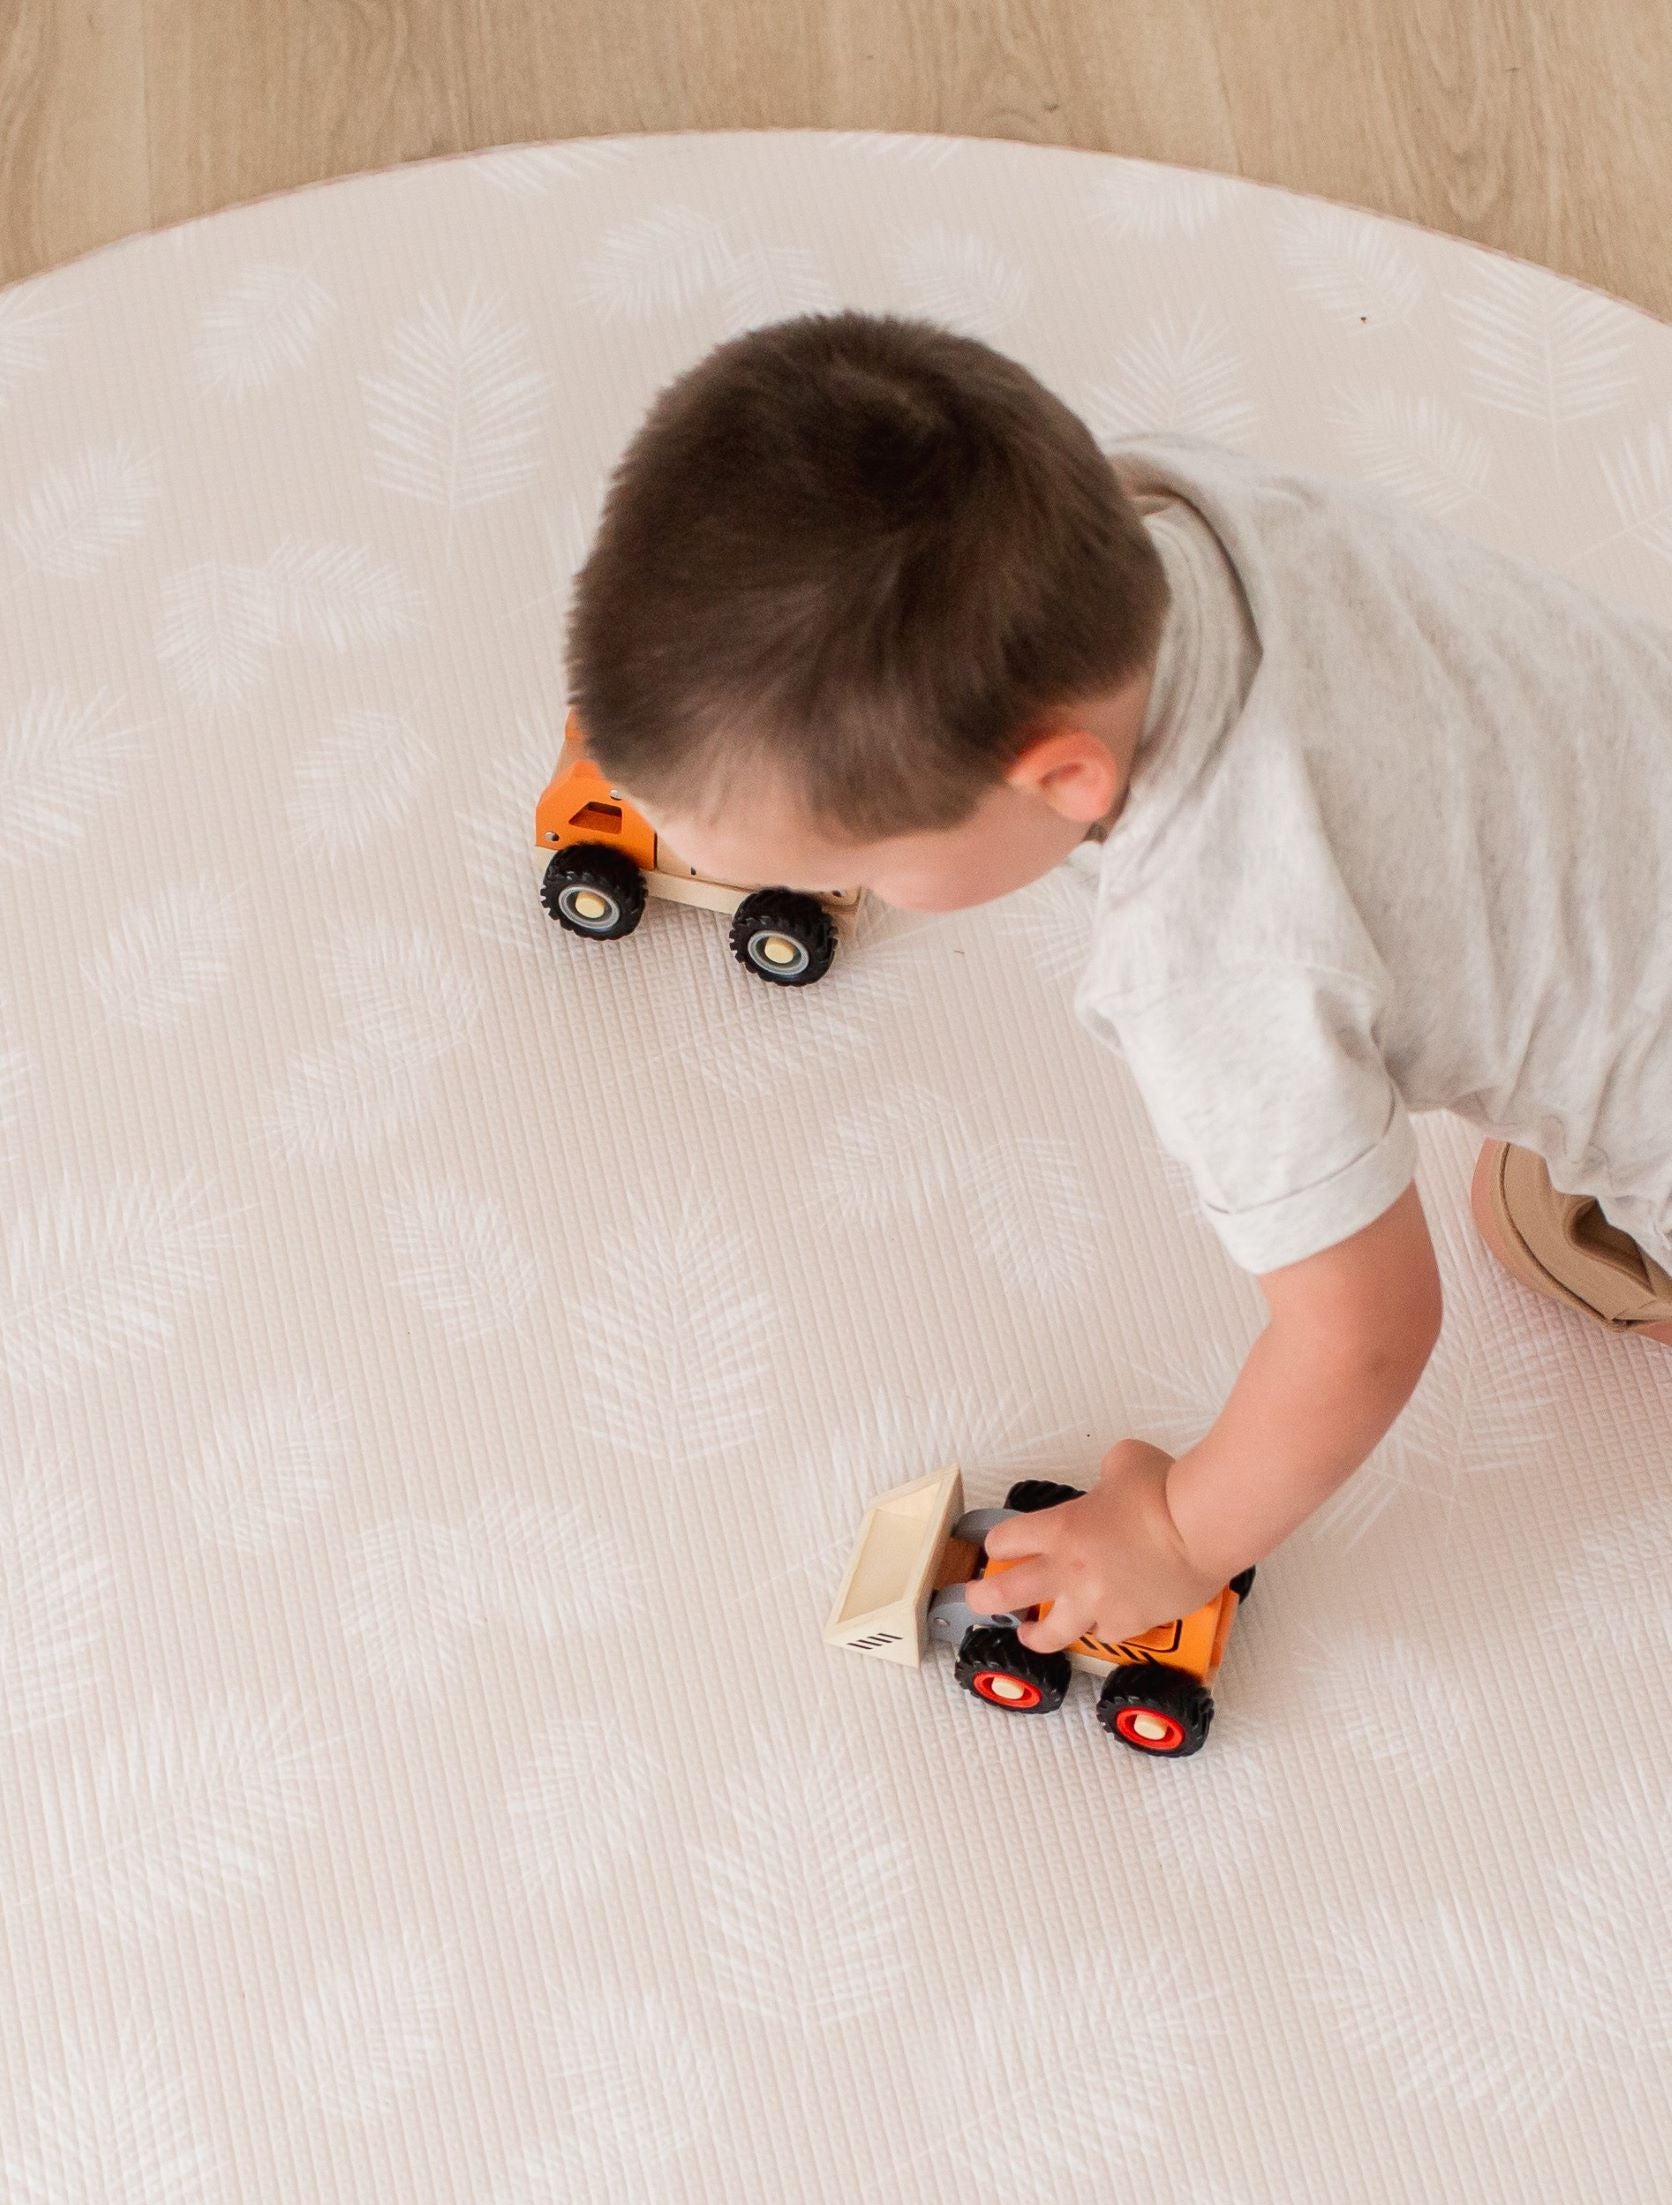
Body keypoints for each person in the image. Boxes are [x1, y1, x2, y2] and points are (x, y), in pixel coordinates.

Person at [562, 309, 1672, 1655]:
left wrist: (1176, 1535)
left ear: (1060, 783)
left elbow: (1365, 1334)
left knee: (1532, 1219)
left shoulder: (1213, 960)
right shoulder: (1160, 509)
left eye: (861, 858)